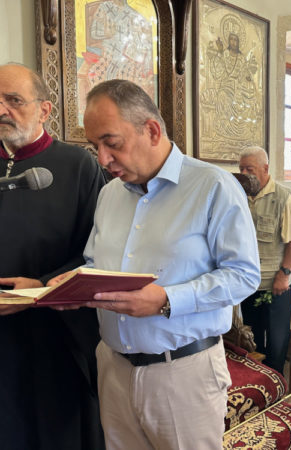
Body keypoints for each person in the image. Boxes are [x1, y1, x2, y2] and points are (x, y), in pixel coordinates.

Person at [57, 79, 260, 449]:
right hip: (113, 367)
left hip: (182, 373)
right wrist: (64, 286)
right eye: (94, 146)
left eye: (111, 142)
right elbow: (94, 261)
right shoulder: (109, 194)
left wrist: (167, 300)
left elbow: (243, 276)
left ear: (151, 130)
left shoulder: (213, 186)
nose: (102, 159)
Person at [0, 63, 106, 450]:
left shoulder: (78, 166)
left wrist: (41, 287)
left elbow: (98, 250)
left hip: (55, 330)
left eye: (14, 100)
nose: (1, 110)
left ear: (44, 110)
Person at [238, 146, 291, 374]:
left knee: (276, 342)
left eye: (250, 169)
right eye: (241, 169)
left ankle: (277, 385)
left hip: (275, 285)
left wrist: (284, 275)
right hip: (248, 283)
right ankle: (258, 384)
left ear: (265, 169)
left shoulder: (283, 197)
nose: (244, 174)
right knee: (252, 340)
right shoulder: (240, 196)